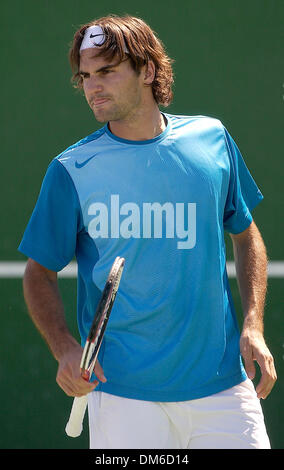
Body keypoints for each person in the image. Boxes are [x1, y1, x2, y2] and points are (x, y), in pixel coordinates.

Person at [19, 14, 277, 449]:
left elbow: (246, 234)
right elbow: (38, 272)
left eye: (106, 71)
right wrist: (64, 347)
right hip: (122, 398)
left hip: (224, 391)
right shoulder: (70, 170)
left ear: (148, 71)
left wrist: (253, 323)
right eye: (85, 76)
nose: (92, 87)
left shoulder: (212, 139)